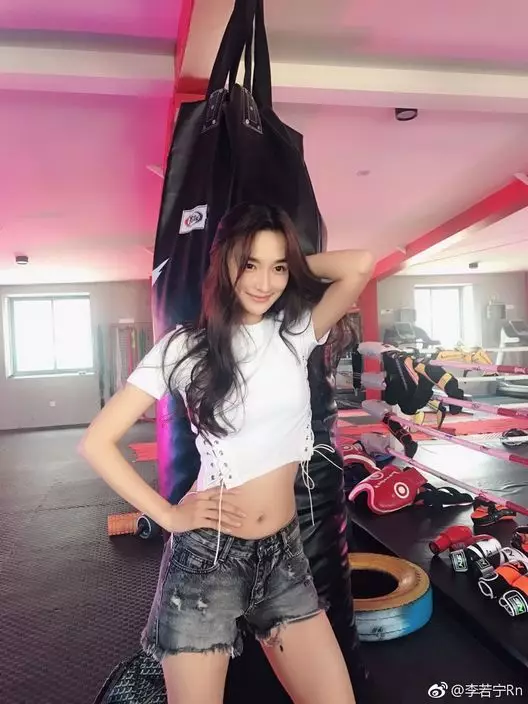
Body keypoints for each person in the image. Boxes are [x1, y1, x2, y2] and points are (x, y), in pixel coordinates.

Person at [80, 203, 374, 704]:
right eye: (249, 264)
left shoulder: (295, 333)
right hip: (206, 560)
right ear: (224, 265)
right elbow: (97, 442)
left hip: (284, 556)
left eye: (277, 267)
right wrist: (168, 516)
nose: (264, 282)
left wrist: (292, 264)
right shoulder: (183, 348)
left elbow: (360, 264)